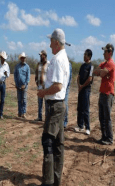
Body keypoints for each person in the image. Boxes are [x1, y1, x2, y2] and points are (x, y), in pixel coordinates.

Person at [37, 28, 69, 186]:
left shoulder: (57, 60)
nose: (50, 45)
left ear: (56, 43)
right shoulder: (64, 58)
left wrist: (43, 92)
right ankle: (56, 180)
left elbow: (57, 86)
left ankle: (48, 182)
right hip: (60, 105)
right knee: (58, 145)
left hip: (54, 106)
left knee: (48, 142)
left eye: (51, 42)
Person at [93, 43, 115, 145]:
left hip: (108, 94)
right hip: (102, 92)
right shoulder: (104, 63)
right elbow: (95, 71)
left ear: (109, 52)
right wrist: (102, 72)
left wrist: (102, 72)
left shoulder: (110, 63)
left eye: (105, 51)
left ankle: (109, 138)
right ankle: (104, 137)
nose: (103, 53)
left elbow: (100, 73)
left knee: (107, 117)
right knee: (101, 117)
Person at [74, 49, 94, 135]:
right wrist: (79, 85)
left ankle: (87, 127)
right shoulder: (82, 66)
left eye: (85, 55)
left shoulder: (91, 66)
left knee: (85, 108)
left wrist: (82, 86)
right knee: (80, 108)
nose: (83, 56)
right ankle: (80, 126)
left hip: (86, 89)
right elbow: (78, 77)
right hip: (81, 89)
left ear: (89, 56)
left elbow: (90, 79)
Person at [34, 50, 50, 121]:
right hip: (40, 86)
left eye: (41, 55)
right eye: (40, 55)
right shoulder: (39, 64)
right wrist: (37, 82)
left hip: (46, 87)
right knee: (39, 103)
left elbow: (50, 75)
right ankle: (39, 117)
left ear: (45, 56)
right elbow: (36, 74)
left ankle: (47, 118)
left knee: (47, 103)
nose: (40, 56)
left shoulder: (49, 64)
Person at [14, 52, 30, 119]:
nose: (23, 59)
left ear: (25, 59)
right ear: (20, 58)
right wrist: (16, 84)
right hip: (18, 85)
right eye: (22, 58)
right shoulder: (17, 66)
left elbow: (28, 77)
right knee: (19, 99)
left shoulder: (27, 67)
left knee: (24, 99)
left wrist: (25, 84)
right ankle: (19, 113)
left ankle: (23, 113)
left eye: (24, 58)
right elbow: (15, 76)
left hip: (24, 86)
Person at [63, 62, 72, 128]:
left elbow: (69, 76)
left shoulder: (68, 65)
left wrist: (66, 86)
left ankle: (65, 121)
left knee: (65, 104)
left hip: (65, 87)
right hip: (60, 87)